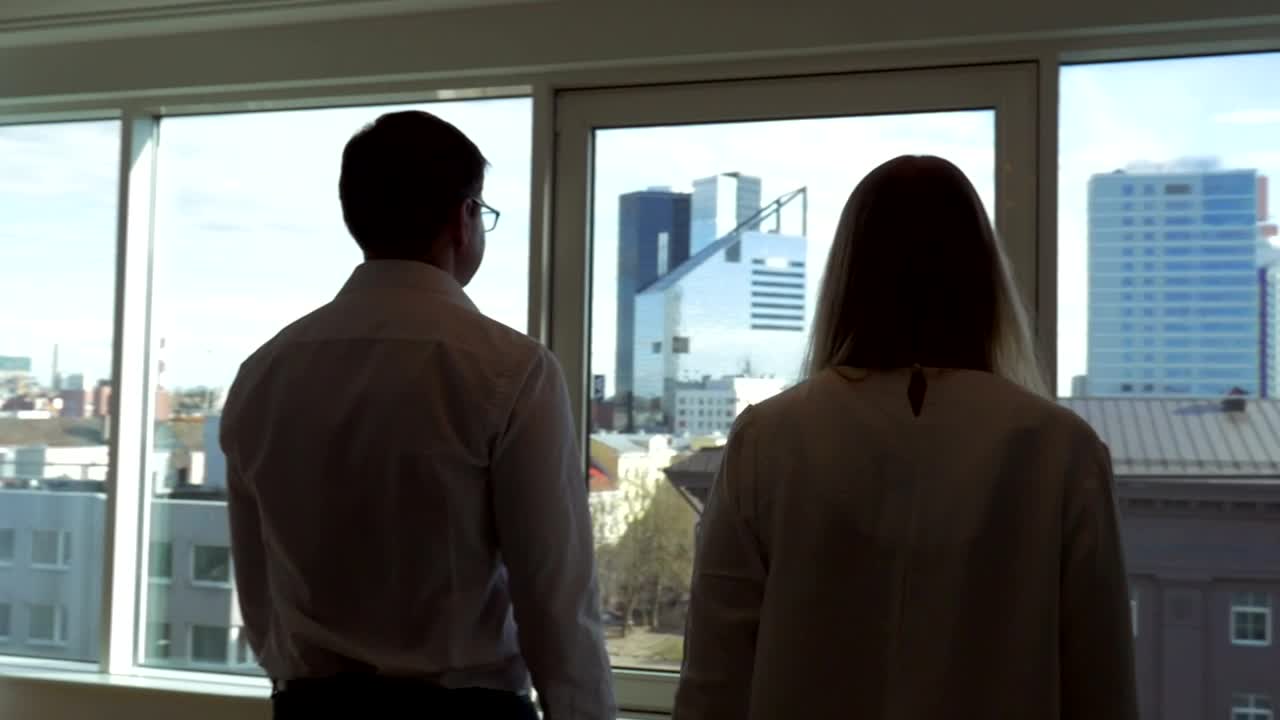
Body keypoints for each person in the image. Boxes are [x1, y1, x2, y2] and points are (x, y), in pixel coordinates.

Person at [673, 156, 1137, 719]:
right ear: (983, 278)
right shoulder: (1062, 449)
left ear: (847, 277)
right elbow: (1102, 683)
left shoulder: (767, 440)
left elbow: (715, 681)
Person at [220, 110, 615, 719]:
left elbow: (258, 587)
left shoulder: (263, 371)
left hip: (311, 706)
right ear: (463, 217)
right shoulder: (511, 370)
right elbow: (556, 597)